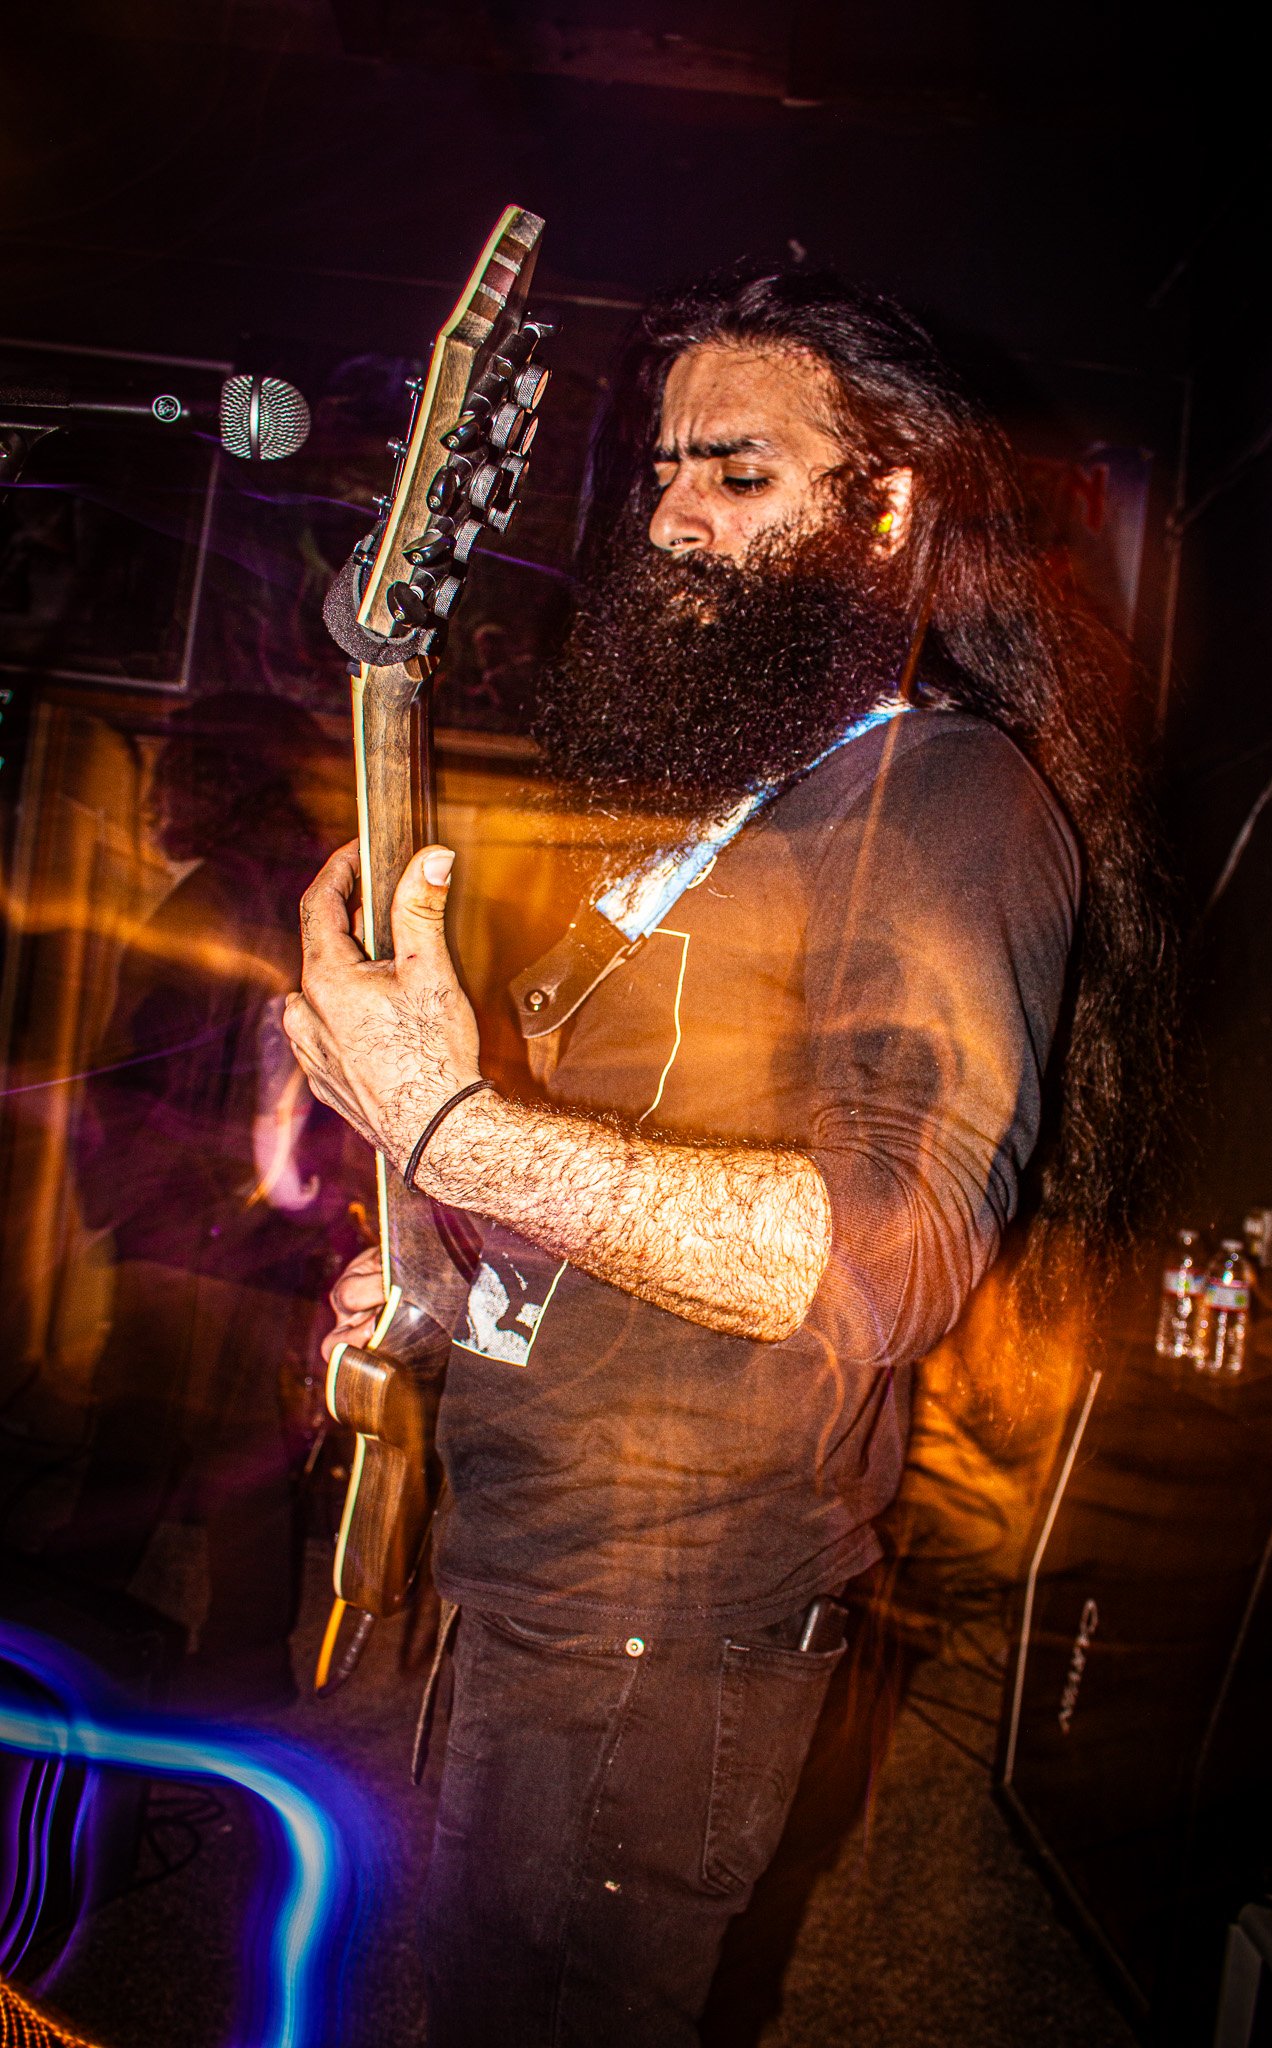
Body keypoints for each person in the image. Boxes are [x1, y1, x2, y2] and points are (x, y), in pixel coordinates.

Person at [283, 267, 1169, 2045]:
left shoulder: (947, 797)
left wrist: (455, 1125)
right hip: (532, 1559)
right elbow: (618, 1183)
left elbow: (893, 1252)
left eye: (739, 472)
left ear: (886, 507)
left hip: (665, 1619)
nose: (674, 516)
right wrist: (445, 1259)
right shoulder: (728, 811)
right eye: (666, 470)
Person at [57, 693, 354, 1710]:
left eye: (169, 775)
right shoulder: (300, 895)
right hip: (259, 1228)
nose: (154, 797)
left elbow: (141, 1072)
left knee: (144, 1441)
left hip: (194, 1227)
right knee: (234, 1451)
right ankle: (230, 1668)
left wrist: (131, 1201)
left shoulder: (213, 902)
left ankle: (74, 1641)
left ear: (211, 781)